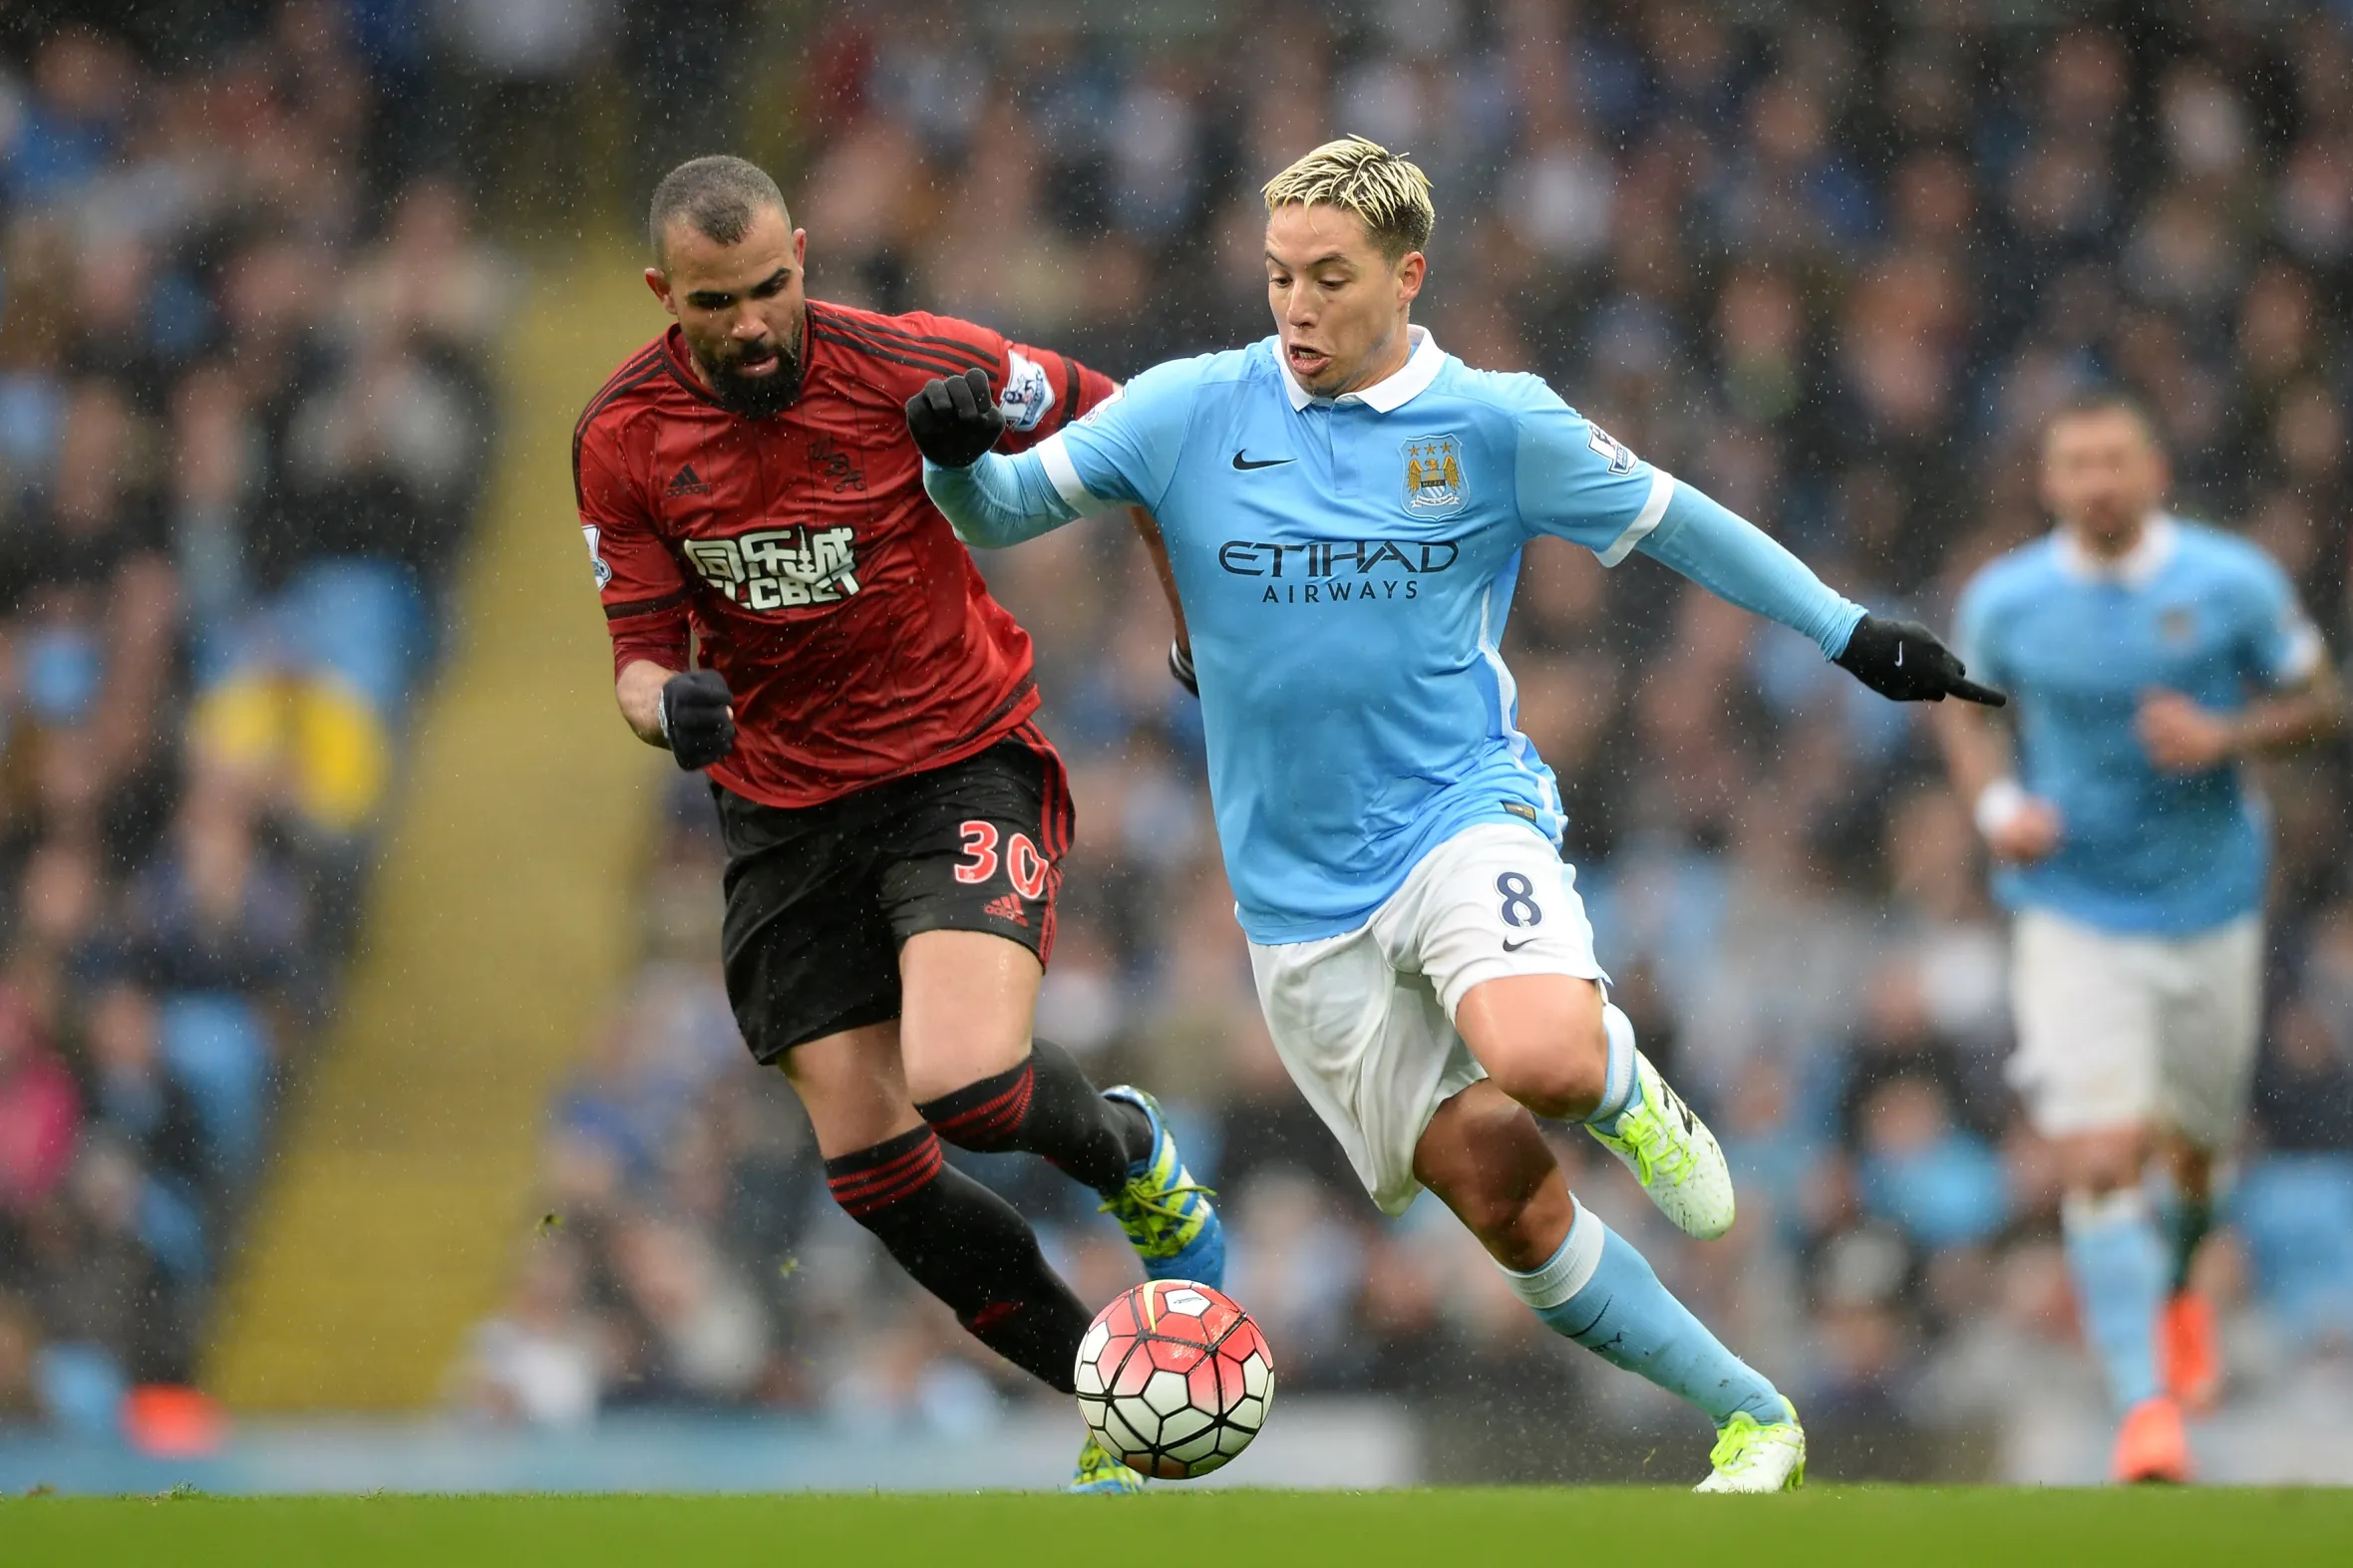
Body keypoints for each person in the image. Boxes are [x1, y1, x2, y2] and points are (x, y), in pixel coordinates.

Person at [909, 136, 2001, 1492]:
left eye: (1328, 277)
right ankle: (1754, 1412)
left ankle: (1619, 1082)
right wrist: (954, 458)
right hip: (1296, 901)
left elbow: (1676, 520)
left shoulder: (1496, 423)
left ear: (1408, 274)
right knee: (1506, 1200)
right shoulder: (1190, 408)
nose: (1295, 308)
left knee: (1537, 1056)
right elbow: (1005, 511)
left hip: (1454, 813)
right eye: (1276, 278)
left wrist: (1846, 634)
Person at [570, 156, 1222, 1493]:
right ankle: (1118, 1403)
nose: (751, 322)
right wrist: (666, 707)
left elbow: (1136, 429)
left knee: (972, 1087)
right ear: (662, 294)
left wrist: (1188, 620)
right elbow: (635, 658)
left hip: (956, 766)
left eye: (769, 287)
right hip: (784, 819)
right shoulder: (622, 437)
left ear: (802, 255)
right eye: (715, 302)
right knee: (874, 1179)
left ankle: (1130, 1151)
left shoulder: (913, 365)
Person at [1939, 393, 2344, 1482]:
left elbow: (2323, 703)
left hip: (2206, 903)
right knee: (2099, 1150)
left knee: (2192, 1155)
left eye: (2113, 459)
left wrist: (2228, 732)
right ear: (2048, 480)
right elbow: (1962, 709)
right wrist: (1995, 811)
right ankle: (2142, 1409)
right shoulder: (2008, 599)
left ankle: (2176, 1287)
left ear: (2153, 469)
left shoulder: (2229, 583)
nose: (2094, 482)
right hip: (2072, 907)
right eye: (2073, 463)